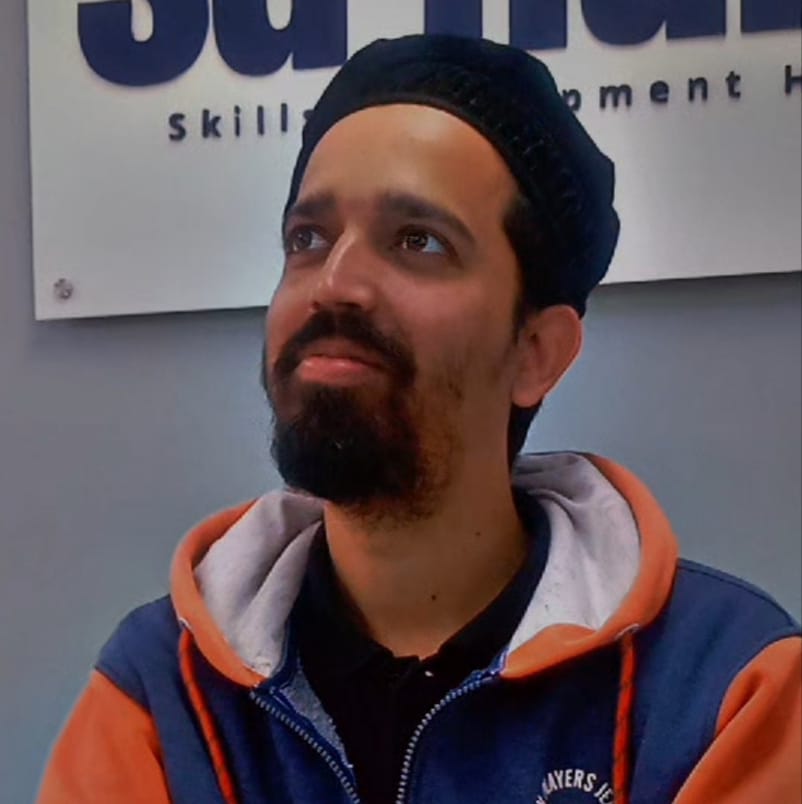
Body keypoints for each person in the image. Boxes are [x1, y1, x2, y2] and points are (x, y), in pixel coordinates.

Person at [40, 34, 800, 804]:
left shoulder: (726, 687)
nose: (335, 283)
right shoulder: (160, 693)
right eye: (308, 239)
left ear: (536, 352)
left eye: (418, 241)